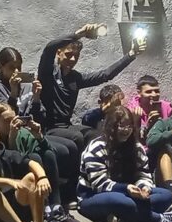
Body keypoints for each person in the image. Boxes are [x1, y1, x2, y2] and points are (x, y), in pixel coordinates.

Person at [36, 23, 141, 204]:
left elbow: (105, 75)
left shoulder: (75, 78)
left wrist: (131, 54)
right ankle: (71, 189)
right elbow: (49, 48)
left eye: (76, 56)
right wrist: (79, 34)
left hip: (67, 126)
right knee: (76, 138)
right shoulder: (47, 74)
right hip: (50, 127)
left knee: (96, 135)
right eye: (68, 54)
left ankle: (98, 181)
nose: (72, 59)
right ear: (59, 54)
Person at [76, 105, 172, 222]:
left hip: (131, 194)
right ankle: (158, 218)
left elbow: (143, 174)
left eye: (129, 126)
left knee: (166, 196)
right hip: (94, 195)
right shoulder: (97, 147)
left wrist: (144, 188)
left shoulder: (137, 148)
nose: (126, 130)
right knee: (120, 201)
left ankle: (123, 218)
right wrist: (126, 189)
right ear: (111, 126)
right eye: (121, 126)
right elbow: (99, 184)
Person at [0, 103, 73, 222]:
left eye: (13, 119)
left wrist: (39, 136)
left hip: (30, 170)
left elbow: (48, 150)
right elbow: (13, 161)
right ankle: (43, 212)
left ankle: (55, 207)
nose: (11, 124)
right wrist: (12, 139)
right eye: (6, 121)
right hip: (13, 184)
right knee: (34, 158)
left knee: (48, 155)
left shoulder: (22, 133)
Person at [0, 46, 33, 116]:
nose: (16, 71)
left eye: (19, 67)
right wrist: (13, 93)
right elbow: (5, 116)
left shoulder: (27, 86)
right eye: (11, 67)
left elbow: (40, 115)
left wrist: (36, 98)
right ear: (1, 67)